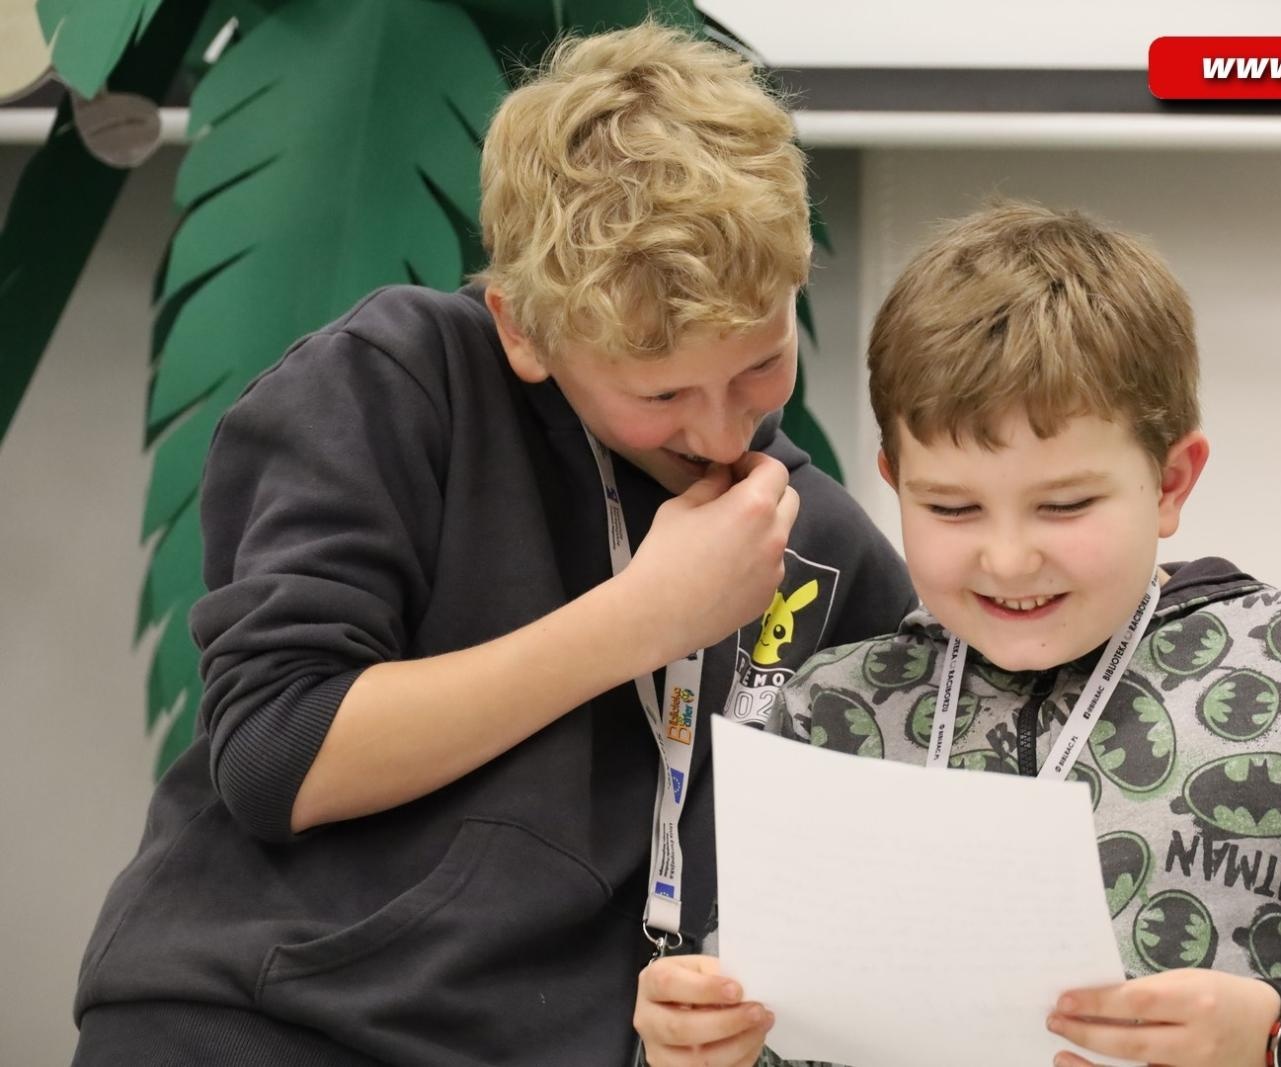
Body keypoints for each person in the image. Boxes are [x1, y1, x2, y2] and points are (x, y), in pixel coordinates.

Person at [70, 24, 914, 1067]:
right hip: (261, 1020)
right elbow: (277, 753)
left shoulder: (820, 543)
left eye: (759, 366)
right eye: (657, 394)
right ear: (524, 329)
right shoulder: (395, 383)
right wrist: (638, 621)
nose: (719, 431)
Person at [632, 202, 1281, 1067]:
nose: (1008, 559)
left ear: (1169, 481)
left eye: (1065, 504)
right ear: (893, 478)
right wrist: (701, 1046)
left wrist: (1277, 1030)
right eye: (951, 507)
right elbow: (774, 1023)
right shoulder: (834, 708)